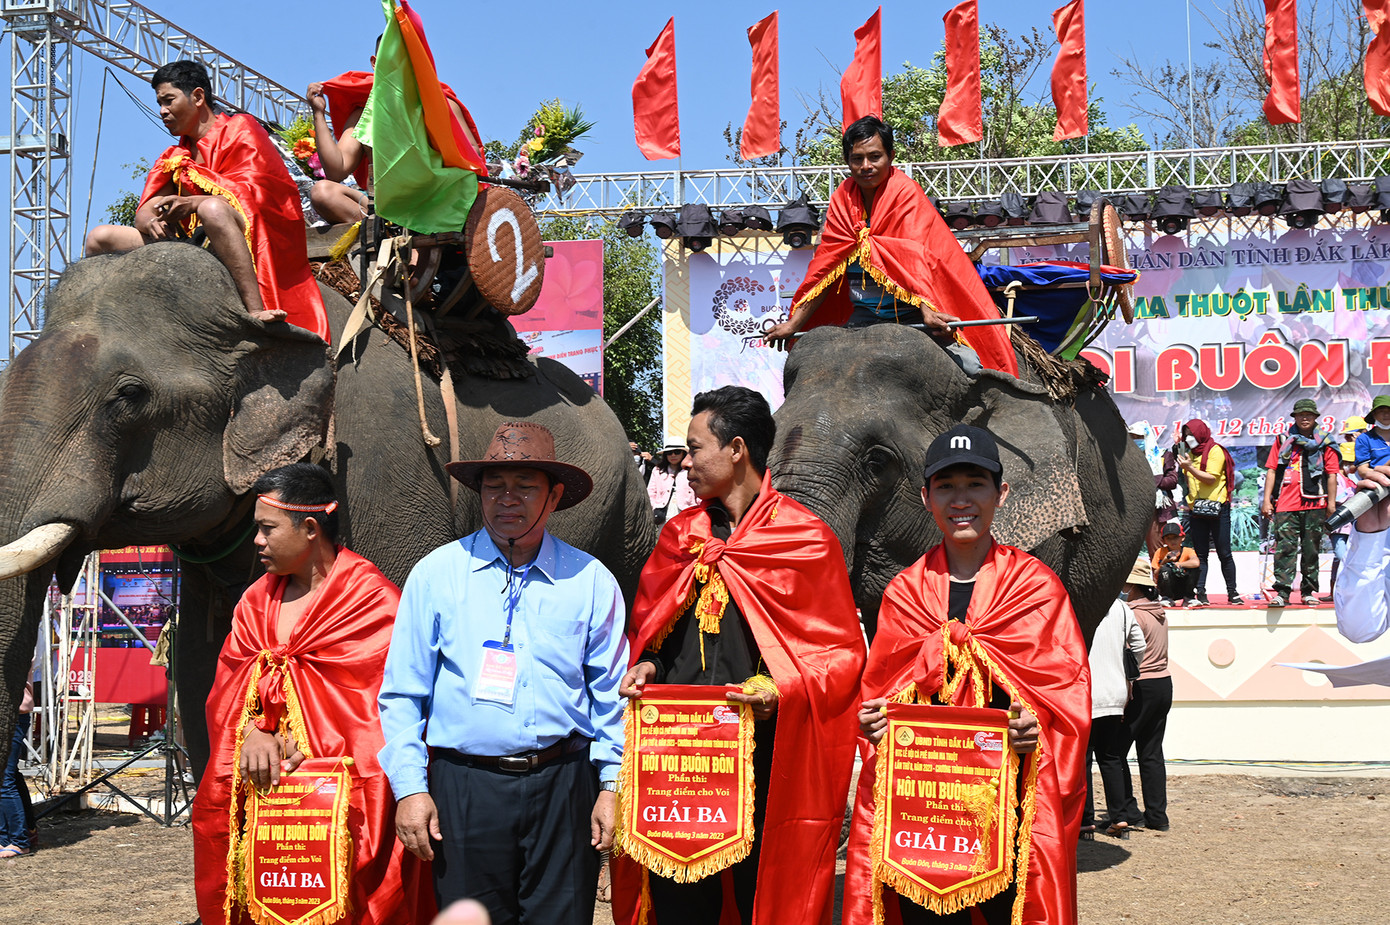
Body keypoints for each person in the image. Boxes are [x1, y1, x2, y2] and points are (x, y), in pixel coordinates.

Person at [614, 385, 866, 925]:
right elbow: (658, 633)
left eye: (695, 447)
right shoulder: (681, 534)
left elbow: (839, 655)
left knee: (761, 899)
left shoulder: (803, 536)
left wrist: (781, 690)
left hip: (765, 756)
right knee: (680, 901)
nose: (684, 462)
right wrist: (648, 664)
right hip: (681, 758)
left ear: (737, 449)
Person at [378, 422, 628, 925]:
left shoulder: (590, 580)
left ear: (554, 496)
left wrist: (611, 784)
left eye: (524, 486)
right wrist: (410, 788)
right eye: (494, 486)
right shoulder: (436, 575)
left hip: (564, 786)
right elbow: (402, 694)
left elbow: (611, 694)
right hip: (465, 788)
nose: (506, 499)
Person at [847, 424, 1090, 925]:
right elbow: (883, 695)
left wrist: (1033, 729)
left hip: (1007, 807)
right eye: (946, 485)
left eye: (975, 483)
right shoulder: (905, 593)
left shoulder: (1035, 588)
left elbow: (1065, 701)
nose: (962, 499)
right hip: (924, 810)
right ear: (926, 497)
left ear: (1000, 494)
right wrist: (873, 724)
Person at [191, 463, 426, 925]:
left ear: (311, 528)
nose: (256, 541)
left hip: (347, 806)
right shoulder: (255, 602)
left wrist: (310, 747)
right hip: (265, 801)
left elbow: (381, 717)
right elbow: (226, 696)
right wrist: (257, 732)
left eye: (266, 529)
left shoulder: (373, 603)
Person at [84, 61, 328, 341]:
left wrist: (195, 203)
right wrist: (151, 221)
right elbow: (144, 210)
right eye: (159, 103)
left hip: (243, 236)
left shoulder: (241, 128)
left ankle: (255, 310)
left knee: (213, 209)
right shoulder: (173, 156)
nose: (162, 110)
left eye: (168, 100)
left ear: (198, 97)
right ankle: (99, 327)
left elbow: (264, 191)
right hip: (190, 246)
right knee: (99, 237)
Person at [762, 116, 1017, 377]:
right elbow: (824, 272)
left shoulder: (906, 194)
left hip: (913, 315)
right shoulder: (841, 201)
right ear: (847, 160)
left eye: (875, 157)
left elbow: (916, 262)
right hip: (863, 316)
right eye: (856, 158)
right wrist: (793, 324)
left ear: (891, 156)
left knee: (970, 367)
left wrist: (928, 313)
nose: (865, 166)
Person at [307, 42, 484, 224]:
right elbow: (337, 171)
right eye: (391, 59)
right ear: (375, 63)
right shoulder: (365, 113)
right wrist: (318, 113)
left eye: (407, 59)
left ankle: (408, 236)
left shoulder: (441, 103)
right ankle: (384, 232)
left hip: (435, 204)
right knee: (322, 193)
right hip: (382, 208)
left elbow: (472, 159)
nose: (399, 66)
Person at [1084, 560, 1147, 840]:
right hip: (1115, 692)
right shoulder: (1121, 608)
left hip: (1085, 693)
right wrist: (1128, 675)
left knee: (1082, 761)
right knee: (1110, 758)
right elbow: (1140, 645)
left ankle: (1085, 823)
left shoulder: (1080, 607)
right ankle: (1119, 818)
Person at [1262, 399, 1339, 608]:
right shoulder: (1283, 439)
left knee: (1311, 549)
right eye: (1300, 414)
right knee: (1285, 548)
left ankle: (1308, 591)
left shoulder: (1326, 442)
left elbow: (1332, 475)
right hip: (1286, 503)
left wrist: (1331, 505)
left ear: (1315, 417)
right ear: (1294, 417)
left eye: (1309, 414)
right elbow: (1271, 469)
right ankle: (1283, 592)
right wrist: (1267, 499)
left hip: (1315, 503)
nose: (1305, 418)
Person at [1124, 558, 1172, 832]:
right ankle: (1157, 815)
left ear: (1132, 585)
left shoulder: (1132, 614)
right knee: (1152, 752)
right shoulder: (1158, 612)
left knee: (1116, 751)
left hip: (1142, 684)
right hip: (1163, 682)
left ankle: (1128, 809)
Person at [1177, 419, 1243, 607]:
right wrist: (1179, 448)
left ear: (1201, 433)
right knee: (1200, 554)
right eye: (1186, 434)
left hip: (1217, 508)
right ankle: (1200, 593)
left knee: (1224, 553)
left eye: (1192, 434)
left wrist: (1189, 467)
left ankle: (1233, 593)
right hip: (1196, 510)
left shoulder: (1215, 451)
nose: (1189, 438)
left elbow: (1210, 479)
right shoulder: (1188, 453)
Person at [645, 443, 697, 527]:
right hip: (664, 512)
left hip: (688, 513)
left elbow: (698, 492)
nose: (673, 455)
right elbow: (651, 491)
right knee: (664, 538)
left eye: (677, 452)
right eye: (669, 453)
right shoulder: (658, 470)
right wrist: (655, 507)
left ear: (683, 453)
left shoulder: (692, 470)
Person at [1151, 521, 1199, 606]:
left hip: (1184, 584)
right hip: (1167, 585)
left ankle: (1189, 597)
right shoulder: (1160, 552)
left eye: (1175, 537)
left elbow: (1196, 562)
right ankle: (1167, 597)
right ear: (1164, 541)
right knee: (1165, 569)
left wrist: (1179, 564)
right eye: (1168, 538)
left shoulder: (1188, 551)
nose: (1172, 541)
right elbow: (1155, 574)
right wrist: (1165, 561)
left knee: (1194, 569)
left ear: (1183, 537)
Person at [1355, 396, 1390, 478]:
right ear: (1374, 414)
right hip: (1378, 483)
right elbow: (1362, 470)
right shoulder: (1364, 439)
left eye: (1389, 410)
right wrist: (1381, 473)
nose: (1386, 414)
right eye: (1381, 411)